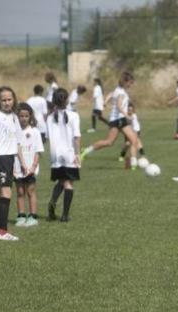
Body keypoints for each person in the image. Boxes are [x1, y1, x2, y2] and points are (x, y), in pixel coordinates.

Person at [0, 86, 26, 241]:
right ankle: (2, 232)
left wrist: (22, 163)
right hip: (0, 158)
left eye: (9, 99)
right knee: (6, 193)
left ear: (14, 99)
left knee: (5, 193)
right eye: (3, 100)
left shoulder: (14, 117)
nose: (7, 102)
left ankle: (0, 231)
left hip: (10, 159)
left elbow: (17, 142)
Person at [80, 72, 139, 170]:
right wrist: (127, 116)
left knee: (130, 140)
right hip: (118, 119)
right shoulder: (121, 92)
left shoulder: (118, 90)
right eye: (130, 83)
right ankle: (86, 151)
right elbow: (120, 106)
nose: (131, 85)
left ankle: (133, 164)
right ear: (125, 82)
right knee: (112, 142)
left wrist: (105, 101)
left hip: (118, 119)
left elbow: (111, 94)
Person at [46, 88, 81, 222]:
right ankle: (65, 215)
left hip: (55, 155)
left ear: (53, 100)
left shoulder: (50, 117)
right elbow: (77, 137)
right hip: (69, 153)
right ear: (67, 100)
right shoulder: (73, 115)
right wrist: (77, 154)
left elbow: (49, 137)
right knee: (68, 183)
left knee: (61, 180)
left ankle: (53, 201)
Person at [13, 103, 44, 227]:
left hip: (30, 168)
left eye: (26, 116)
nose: (24, 118)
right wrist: (14, 167)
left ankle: (33, 216)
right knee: (20, 192)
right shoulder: (14, 132)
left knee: (30, 191)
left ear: (30, 116)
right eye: (21, 116)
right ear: (17, 117)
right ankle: (21, 216)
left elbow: (38, 151)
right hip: (17, 168)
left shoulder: (35, 132)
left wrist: (33, 166)